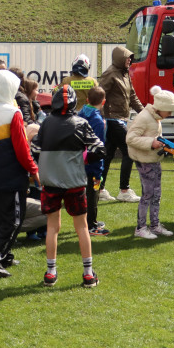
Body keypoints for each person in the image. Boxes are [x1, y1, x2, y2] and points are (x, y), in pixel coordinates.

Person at [32, 84, 105, 288]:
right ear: (74, 102)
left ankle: (50, 273)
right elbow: (100, 149)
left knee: (52, 227)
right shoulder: (81, 122)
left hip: (51, 182)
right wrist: (83, 158)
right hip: (75, 182)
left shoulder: (46, 123)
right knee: (81, 227)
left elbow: (35, 148)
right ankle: (88, 274)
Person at [0, 70, 40, 277]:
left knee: (1, 218)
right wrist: (33, 169)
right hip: (12, 176)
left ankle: (4, 255)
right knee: (14, 220)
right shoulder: (13, 113)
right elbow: (22, 148)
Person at [126, 85, 174, 239]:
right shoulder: (144, 117)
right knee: (148, 194)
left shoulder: (155, 117)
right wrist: (151, 143)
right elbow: (130, 138)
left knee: (157, 194)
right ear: (161, 107)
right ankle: (140, 228)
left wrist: (166, 145)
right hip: (145, 161)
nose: (169, 114)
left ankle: (154, 225)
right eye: (169, 111)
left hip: (154, 159)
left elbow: (155, 136)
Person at [98, 46, 144, 203]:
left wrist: (144, 113)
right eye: (127, 57)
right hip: (112, 119)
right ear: (119, 58)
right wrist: (101, 115)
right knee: (130, 150)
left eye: (131, 57)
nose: (130, 60)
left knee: (108, 154)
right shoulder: (111, 73)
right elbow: (99, 94)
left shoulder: (125, 74)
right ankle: (124, 190)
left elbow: (132, 96)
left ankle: (100, 189)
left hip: (120, 118)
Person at [78, 86, 110, 236]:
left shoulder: (81, 113)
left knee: (85, 193)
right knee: (93, 193)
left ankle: (88, 221)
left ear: (87, 100)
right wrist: (99, 170)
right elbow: (98, 147)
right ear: (103, 102)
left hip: (80, 161)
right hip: (93, 164)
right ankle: (91, 225)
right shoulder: (97, 120)